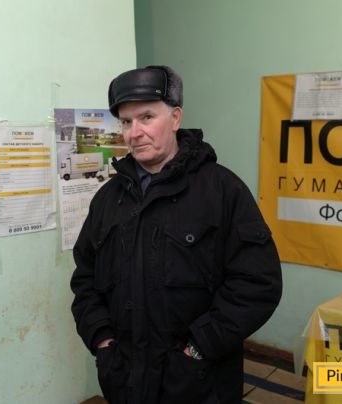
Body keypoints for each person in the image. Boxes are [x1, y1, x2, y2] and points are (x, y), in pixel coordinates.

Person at [70, 65, 282, 404]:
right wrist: (103, 341)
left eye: (146, 117)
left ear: (175, 118)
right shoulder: (108, 199)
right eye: (126, 122)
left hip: (199, 383)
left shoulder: (222, 190)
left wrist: (198, 349)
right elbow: (85, 278)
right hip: (125, 381)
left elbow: (258, 283)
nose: (134, 132)